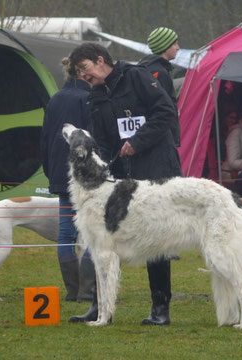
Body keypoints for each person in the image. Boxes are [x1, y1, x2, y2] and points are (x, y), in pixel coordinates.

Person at [68, 42, 182, 325]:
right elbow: (104, 141)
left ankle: (160, 308)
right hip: (120, 174)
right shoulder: (95, 96)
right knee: (101, 240)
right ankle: (99, 306)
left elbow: (166, 113)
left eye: (84, 69)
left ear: (99, 60)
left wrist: (137, 142)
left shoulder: (137, 76)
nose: (83, 76)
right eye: (79, 72)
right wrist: (101, 167)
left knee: (157, 238)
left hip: (157, 168)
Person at [40, 58, 96, 303]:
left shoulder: (55, 99)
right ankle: (87, 290)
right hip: (87, 177)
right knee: (94, 232)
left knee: (66, 234)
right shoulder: (89, 98)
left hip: (61, 175)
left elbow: (44, 139)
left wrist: (49, 170)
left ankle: (72, 291)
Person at [138, 27, 181, 147]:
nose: (178, 48)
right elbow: (163, 107)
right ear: (164, 46)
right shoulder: (159, 72)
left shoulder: (148, 68)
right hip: (162, 138)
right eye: (175, 44)